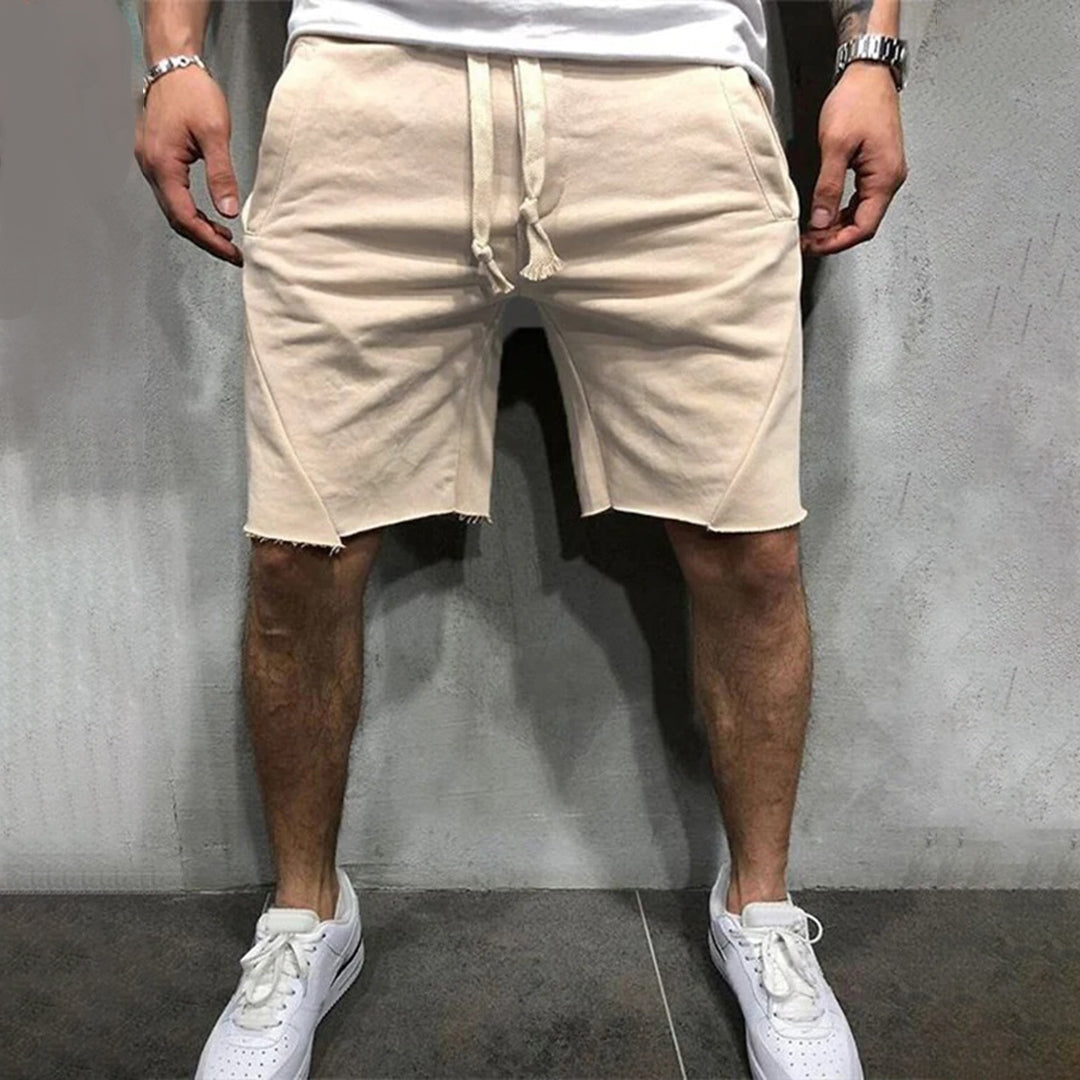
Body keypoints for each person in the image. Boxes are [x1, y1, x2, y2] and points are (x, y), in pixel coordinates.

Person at [135, 1, 908, 1077]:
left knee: (751, 551)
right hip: (369, 82)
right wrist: (172, 55)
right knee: (299, 554)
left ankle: (761, 911)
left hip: (672, 85)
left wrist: (871, 54)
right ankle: (306, 919)